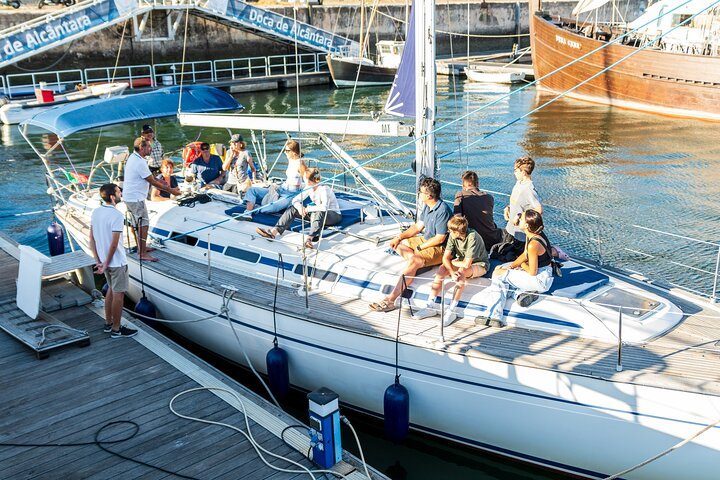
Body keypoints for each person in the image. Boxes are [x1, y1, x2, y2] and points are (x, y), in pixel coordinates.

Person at [369, 177, 452, 313]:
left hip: (440, 248)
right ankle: (416, 261)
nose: (419, 194)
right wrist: (399, 237)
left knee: (414, 260)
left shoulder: (442, 210)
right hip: (426, 240)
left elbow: (440, 238)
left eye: (421, 192)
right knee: (399, 244)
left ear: (429, 195)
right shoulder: (428, 206)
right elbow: (418, 227)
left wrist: (421, 248)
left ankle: (390, 300)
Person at [478, 209, 554, 327]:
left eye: (522, 218)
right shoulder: (533, 234)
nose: (519, 217)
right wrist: (512, 266)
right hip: (542, 273)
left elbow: (532, 272)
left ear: (527, 225)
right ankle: (520, 294)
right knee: (501, 268)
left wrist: (520, 266)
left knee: (498, 276)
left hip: (540, 278)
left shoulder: (534, 244)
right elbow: (525, 255)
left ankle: (494, 315)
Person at [412, 215, 488, 326]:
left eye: (450, 230)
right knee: (442, 269)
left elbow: (467, 264)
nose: (448, 232)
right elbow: (445, 257)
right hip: (461, 261)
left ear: (457, 232)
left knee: (461, 273)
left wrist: (453, 263)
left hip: (479, 264)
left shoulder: (473, 237)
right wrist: (452, 272)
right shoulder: (453, 236)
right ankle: (430, 305)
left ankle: (452, 310)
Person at [89, 183, 138, 338]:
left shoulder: (96, 212)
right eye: (118, 191)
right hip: (116, 263)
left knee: (110, 289)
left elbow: (92, 238)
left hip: (104, 261)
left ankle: (108, 322)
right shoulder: (117, 215)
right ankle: (117, 329)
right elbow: (114, 243)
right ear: (112, 196)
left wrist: (99, 261)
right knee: (119, 294)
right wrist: (106, 263)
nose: (120, 193)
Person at [124, 137, 181, 262]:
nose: (151, 149)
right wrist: (172, 191)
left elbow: (148, 177)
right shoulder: (139, 162)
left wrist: (159, 180)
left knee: (136, 224)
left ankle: (141, 248)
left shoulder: (134, 158)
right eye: (149, 147)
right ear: (142, 148)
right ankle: (142, 253)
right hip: (136, 198)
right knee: (143, 224)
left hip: (131, 197)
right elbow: (152, 182)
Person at [255, 168, 341, 249]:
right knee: (293, 209)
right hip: (316, 214)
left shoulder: (324, 189)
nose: (303, 180)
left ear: (309, 180)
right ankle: (273, 232)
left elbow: (324, 207)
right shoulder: (308, 188)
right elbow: (295, 200)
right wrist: (300, 208)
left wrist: (307, 209)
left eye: (304, 178)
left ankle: (309, 239)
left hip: (333, 215)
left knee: (318, 211)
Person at [244, 139, 306, 214]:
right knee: (252, 190)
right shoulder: (291, 159)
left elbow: (307, 180)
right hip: (281, 189)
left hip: (290, 194)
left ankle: (256, 208)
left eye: (287, 150)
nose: (284, 152)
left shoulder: (300, 163)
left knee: (271, 208)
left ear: (294, 152)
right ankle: (248, 212)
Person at [500, 156, 543, 257]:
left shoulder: (529, 189)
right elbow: (517, 201)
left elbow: (539, 210)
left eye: (515, 170)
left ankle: (554, 252)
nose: (514, 173)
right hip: (510, 229)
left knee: (511, 259)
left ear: (523, 172)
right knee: (501, 254)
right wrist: (508, 208)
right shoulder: (519, 183)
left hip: (521, 235)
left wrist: (519, 216)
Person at [454, 170, 502, 251]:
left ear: (463, 185)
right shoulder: (489, 197)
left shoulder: (460, 195)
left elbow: (457, 219)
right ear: (477, 183)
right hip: (491, 240)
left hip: (474, 241)